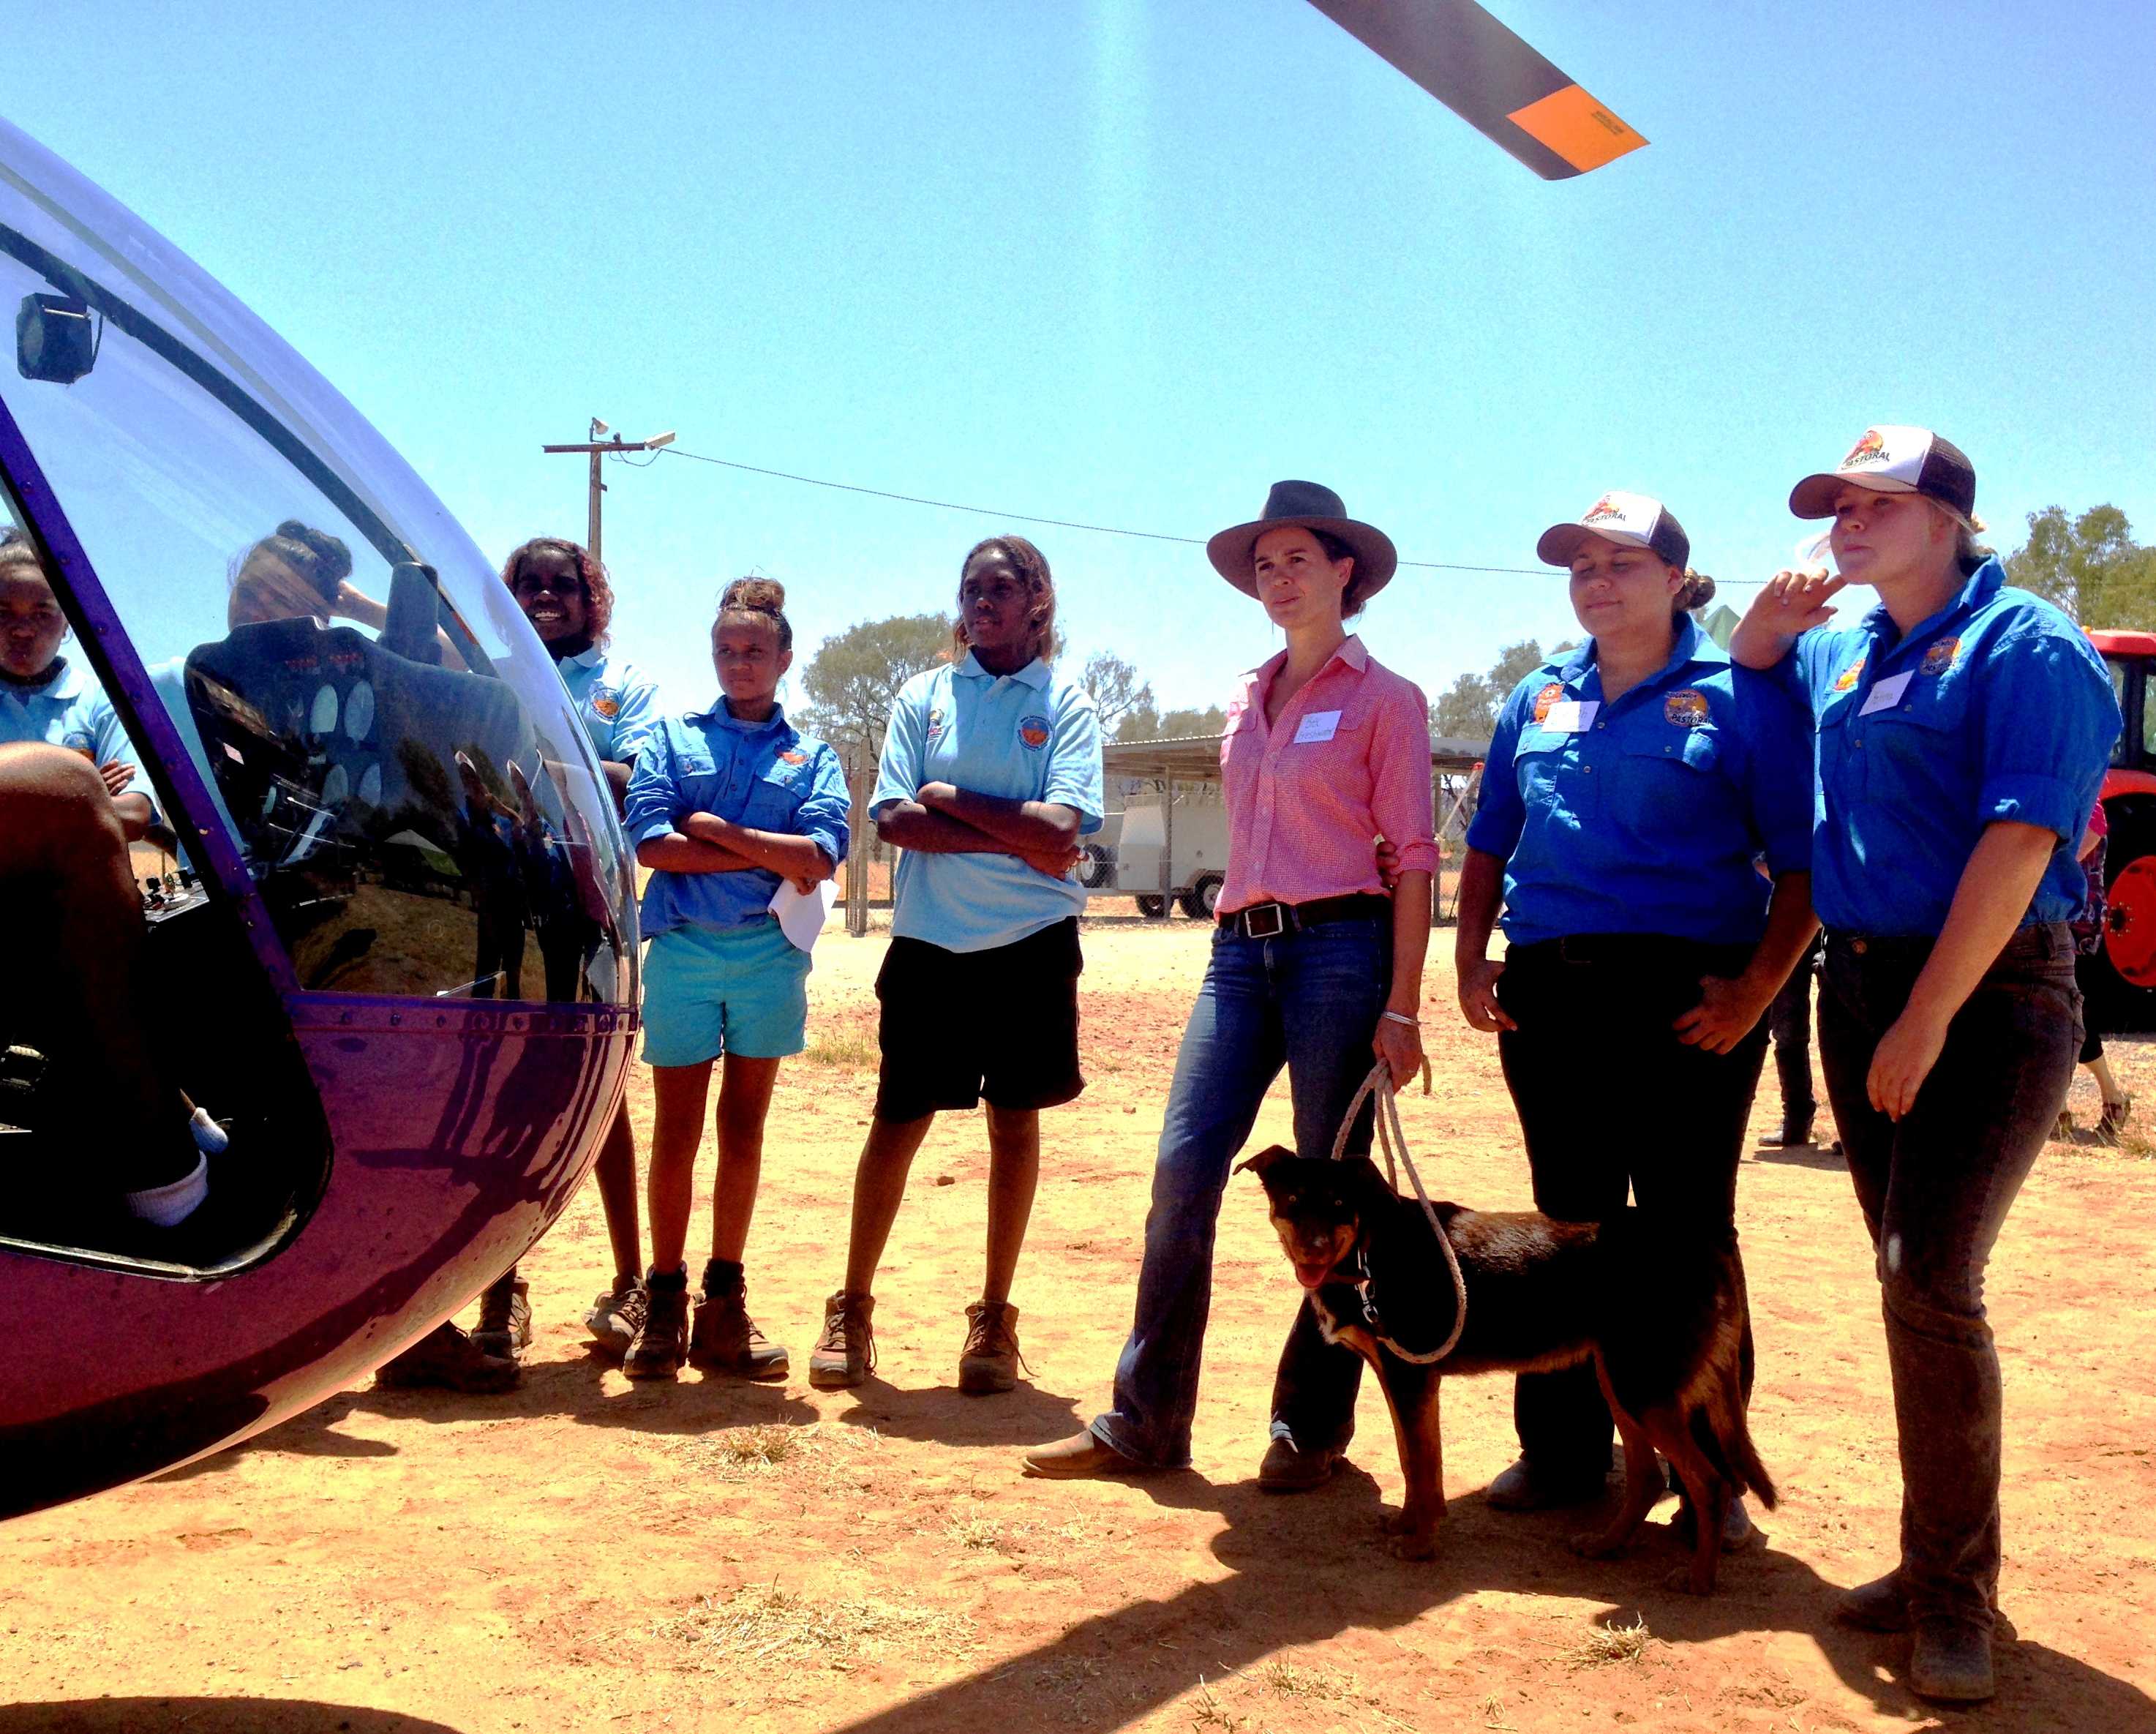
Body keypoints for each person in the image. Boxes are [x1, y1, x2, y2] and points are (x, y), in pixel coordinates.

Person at [1730, 427, 2120, 1703]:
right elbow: (1756, 673)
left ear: (1950, 517)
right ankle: (1927, 1563)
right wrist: (1760, 626)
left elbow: (2020, 844)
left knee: (1928, 1277)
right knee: (1907, 1283)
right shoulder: (1847, 648)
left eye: (1876, 505)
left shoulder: (2028, 646)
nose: (1846, 524)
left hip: (1989, 993)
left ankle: (1956, 1599)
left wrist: (1926, 1017)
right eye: (1835, 507)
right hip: (1860, 983)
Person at [1023, 481, 1434, 1482]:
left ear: (1343, 571)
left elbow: (1417, 857)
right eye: (1264, 565)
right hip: (1237, 957)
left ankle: (1309, 1428)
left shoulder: (1387, 699)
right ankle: (1146, 1420)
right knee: (1182, 1170)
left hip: (1341, 952)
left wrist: (1402, 1003)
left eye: (1298, 560)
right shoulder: (1245, 698)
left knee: (1332, 1193)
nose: (1277, 578)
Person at [1450, 491, 1817, 1546]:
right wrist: (1468, 959)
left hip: (1686, 1003)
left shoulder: (1741, 695)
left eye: (1619, 564)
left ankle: (1714, 1472)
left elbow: (1802, 865)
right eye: (1581, 567)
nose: (1596, 582)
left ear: (1674, 577)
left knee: (1687, 1234)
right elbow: (1487, 841)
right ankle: (1562, 1454)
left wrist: (1754, 991)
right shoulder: (1537, 695)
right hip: (1551, 995)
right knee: (1563, 1226)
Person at [811, 536, 1103, 1396]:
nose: (982, 602)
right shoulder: (923, 696)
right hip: (930, 945)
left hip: (1032, 947)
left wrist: (950, 800)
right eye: (971, 589)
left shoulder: (1065, 703)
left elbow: (1064, 831)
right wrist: (1017, 834)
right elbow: (896, 821)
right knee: (897, 1120)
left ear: (1037, 600)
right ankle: (852, 1306)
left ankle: (994, 1318)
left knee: (1014, 1124)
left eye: (1001, 589)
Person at [620, 579, 848, 1381]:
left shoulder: (812, 757)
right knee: (675, 1131)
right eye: (725, 650)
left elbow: (819, 859)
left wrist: (715, 830)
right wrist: (764, 851)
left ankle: (723, 1305)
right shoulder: (671, 740)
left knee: (744, 1127)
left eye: (755, 650)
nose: (739, 662)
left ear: (784, 659)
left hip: (769, 955)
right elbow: (651, 845)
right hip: (683, 950)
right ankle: (664, 1300)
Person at [484, 537, 664, 1364]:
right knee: (497, 1096)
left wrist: (542, 767)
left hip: (590, 909)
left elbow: (641, 781)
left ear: (593, 599)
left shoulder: (625, 687)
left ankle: (631, 1282)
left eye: (565, 584)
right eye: (530, 584)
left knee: (602, 1098)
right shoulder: (483, 673)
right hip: (497, 906)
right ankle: (496, 1289)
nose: (546, 597)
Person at [2067, 801, 2130, 1140]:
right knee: (2052, 1012)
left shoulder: (2092, 810)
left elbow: (2065, 860)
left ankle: (2112, 1095)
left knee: (2072, 1013)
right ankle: (2059, 1107)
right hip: (2050, 918)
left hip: (2078, 923)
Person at [1762, 931, 1827, 1149]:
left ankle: (1855, 1128)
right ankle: (1796, 1120)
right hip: (1792, 919)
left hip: (1834, 921)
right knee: (1787, 1025)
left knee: (1844, 1024)